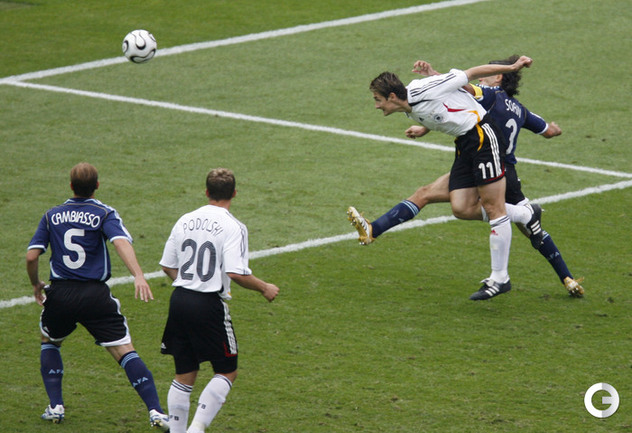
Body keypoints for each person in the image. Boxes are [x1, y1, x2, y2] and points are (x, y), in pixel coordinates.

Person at [347, 56, 584, 298]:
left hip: (485, 141)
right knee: (459, 207)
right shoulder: (517, 109)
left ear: (392, 97)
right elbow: (447, 102)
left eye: (377, 100)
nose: (376, 106)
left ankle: (501, 278)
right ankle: (532, 225)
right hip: (467, 145)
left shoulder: (481, 93)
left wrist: (513, 66)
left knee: (495, 210)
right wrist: (425, 125)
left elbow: (468, 76)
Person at [26, 162, 170, 430]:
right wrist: (138, 274)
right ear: (97, 186)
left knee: (50, 340)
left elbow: (32, 256)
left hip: (60, 294)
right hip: (95, 296)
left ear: (71, 186)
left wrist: (36, 284)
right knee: (124, 351)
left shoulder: (51, 215)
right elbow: (120, 242)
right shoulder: (104, 213)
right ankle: (156, 412)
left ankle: (55, 406)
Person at [159, 168, 280, 433]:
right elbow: (236, 273)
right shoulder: (234, 226)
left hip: (179, 300)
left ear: (206, 192)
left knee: (184, 373)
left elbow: (167, 265)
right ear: (234, 193)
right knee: (227, 370)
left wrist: (189, 283)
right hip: (207, 305)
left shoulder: (185, 220)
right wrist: (264, 288)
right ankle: (196, 428)